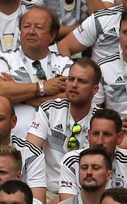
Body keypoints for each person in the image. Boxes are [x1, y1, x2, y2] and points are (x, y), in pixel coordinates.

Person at [0, 6, 74, 135]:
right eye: (26, 26)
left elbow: (70, 98)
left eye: (38, 27)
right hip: (14, 143)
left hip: (55, 140)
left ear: (52, 35)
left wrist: (21, 95)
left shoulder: (66, 64)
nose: (31, 31)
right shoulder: (2, 59)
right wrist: (42, 88)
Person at [26, 59, 102, 191]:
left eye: (82, 81)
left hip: (84, 195)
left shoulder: (102, 120)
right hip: (49, 192)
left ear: (95, 90)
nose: (74, 85)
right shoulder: (49, 109)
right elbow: (29, 153)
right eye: (71, 79)